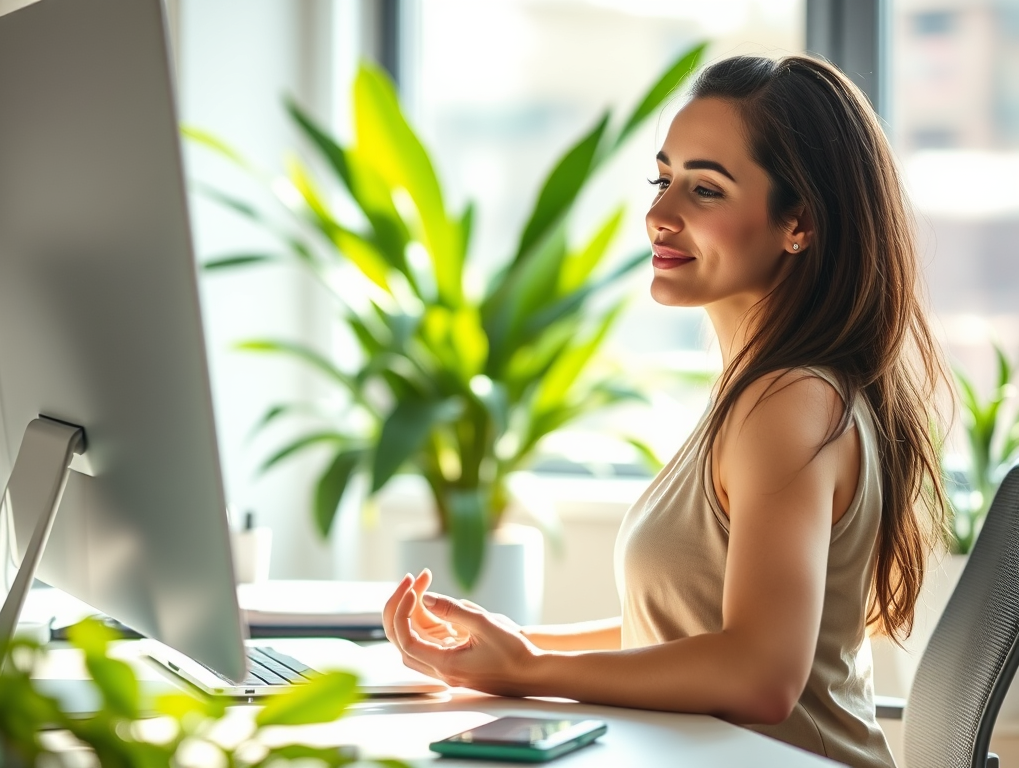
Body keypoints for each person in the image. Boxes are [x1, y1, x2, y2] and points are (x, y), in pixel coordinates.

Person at [383, 54, 951, 768]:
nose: (658, 214)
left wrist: (527, 674)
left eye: (705, 189)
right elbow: (686, 631)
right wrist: (517, 646)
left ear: (797, 222)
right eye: (663, 179)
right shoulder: (761, 391)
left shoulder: (789, 403)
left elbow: (758, 675)